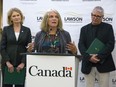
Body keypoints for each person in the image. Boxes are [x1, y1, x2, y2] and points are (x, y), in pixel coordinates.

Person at [27, 9, 79, 87]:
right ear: (46, 20)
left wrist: (74, 50)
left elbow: (72, 53)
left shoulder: (65, 34)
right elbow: (33, 52)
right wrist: (29, 50)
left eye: (56, 17)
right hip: (42, 71)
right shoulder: (39, 35)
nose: (54, 18)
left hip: (60, 71)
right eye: (51, 17)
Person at [78, 6, 116, 87]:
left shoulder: (108, 28)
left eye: (98, 16)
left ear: (102, 17)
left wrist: (98, 56)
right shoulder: (84, 29)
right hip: (88, 64)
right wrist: (89, 57)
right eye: (93, 15)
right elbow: (81, 45)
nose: (94, 18)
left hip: (104, 63)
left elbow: (110, 44)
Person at [1, 8, 32, 87]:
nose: (16, 17)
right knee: (7, 85)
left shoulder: (27, 30)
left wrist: (23, 63)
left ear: (21, 16)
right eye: (14, 16)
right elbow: (2, 47)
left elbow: (29, 49)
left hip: (21, 63)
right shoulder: (6, 29)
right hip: (7, 63)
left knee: (20, 85)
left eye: (18, 15)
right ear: (10, 18)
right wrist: (7, 62)